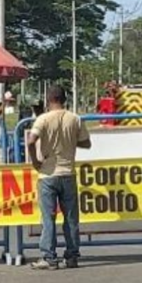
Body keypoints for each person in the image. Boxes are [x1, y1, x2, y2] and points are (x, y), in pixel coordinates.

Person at [27, 85, 91, 270]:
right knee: (71, 218)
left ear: (48, 100)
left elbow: (31, 140)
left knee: (48, 218)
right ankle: (72, 256)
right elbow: (86, 143)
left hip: (47, 174)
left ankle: (49, 257)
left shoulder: (43, 119)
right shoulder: (75, 119)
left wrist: (35, 161)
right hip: (68, 173)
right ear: (65, 99)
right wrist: (70, 141)